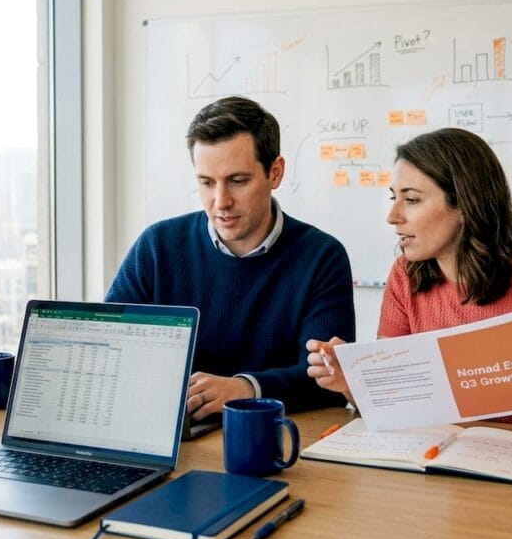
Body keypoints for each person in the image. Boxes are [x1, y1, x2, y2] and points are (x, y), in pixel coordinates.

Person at [306, 127, 512, 436]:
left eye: (412, 199)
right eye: (394, 197)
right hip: (445, 457)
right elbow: (390, 407)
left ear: (464, 204)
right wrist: (351, 382)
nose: (393, 216)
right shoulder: (404, 277)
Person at [107, 96, 356, 420]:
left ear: (275, 173)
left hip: (272, 438)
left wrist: (247, 388)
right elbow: (110, 351)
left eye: (237, 181)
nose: (220, 201)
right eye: (206, 183)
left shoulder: (322, 257)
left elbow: (328, 382)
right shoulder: (158, 246)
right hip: (174, 437)